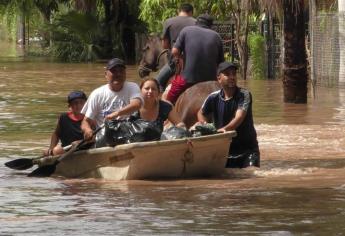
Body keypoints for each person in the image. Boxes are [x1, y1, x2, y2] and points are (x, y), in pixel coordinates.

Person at [194, 61, 260, 168]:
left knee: (250, 177)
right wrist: (204, 124)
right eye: (227, 74)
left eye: (233, 74)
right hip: (225, 153)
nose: (232, 77)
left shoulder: (244, 95)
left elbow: (239, 117)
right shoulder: (213, 97)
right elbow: (200, 112)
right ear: (219, 78)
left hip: (247, 151)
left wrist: (225, 129)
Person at [81, 58, 143, 141]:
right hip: (105, 138)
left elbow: (136, 104)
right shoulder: (97, 94)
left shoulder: (132, 87)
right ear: (106, 74)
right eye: (114, 71)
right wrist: (88, 130)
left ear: (125, 74)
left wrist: (117, 113)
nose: (118, 74)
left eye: (121, 71)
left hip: (129, 135)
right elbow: (85, 121)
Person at [168, 13, 224, 104]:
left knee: (168, 99)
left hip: (187, 79)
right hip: (211, 81)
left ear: (197, 22)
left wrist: (181, 57)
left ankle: (165, 117)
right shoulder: (217, 36)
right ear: (210, 25)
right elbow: (221, 64)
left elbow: (174, 51)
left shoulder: (186, 30)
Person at [156, 3, 196, 90]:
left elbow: (165, 45)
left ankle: (161, 101)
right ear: (191, 12)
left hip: (175, 63)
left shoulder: (169, 22)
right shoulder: (196, 22)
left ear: (179, 11)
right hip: (194, 63)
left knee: (156, 82)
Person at [44, 91, 87, 156]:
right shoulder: (63, 117)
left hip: (84, 148)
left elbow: (94, 138)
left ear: (86, 104)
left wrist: (80, 142)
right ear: (70, 106)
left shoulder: (89, 118)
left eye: (81, 102)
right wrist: (51, 149)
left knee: (57, 150)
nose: (79, 105)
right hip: (67, 149)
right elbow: (56, 134)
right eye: (75, 103)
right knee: (46, 152)